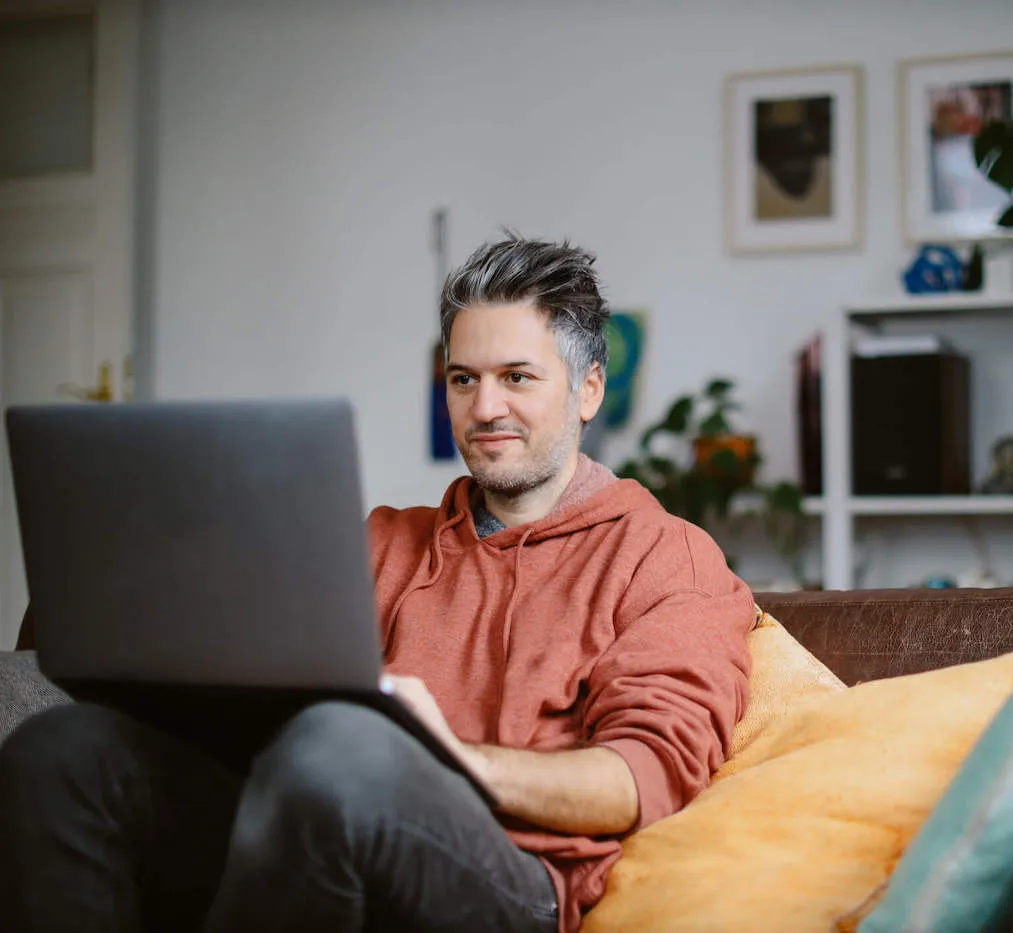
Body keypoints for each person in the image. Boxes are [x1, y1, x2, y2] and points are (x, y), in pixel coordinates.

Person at [0, 235, 756, 933]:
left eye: (517, 378)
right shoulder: (377, 538)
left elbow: (639, 778)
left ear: (588, 389)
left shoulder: (666, 556)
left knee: (342, 746)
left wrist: (450, 756)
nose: (484, 408)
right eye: (464, 379)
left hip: (510, 875)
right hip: (302, 820)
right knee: (64, 748)